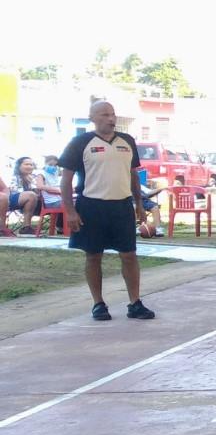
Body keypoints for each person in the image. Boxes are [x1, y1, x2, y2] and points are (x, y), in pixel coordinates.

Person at [58, 101, 154, 321]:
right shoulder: (80, 142)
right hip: (91, 206)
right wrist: (71, 211)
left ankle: (135, 303)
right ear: (92, 117)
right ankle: (98, 304)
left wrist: (139, 203)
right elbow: (65, 181)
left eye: (113, 114)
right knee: (93, 256)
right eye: (104, 114)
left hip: (121, 205)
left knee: (129, 255)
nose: (111, 119)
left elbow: (132, 175)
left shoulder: (127, 141)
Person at [9, 157, 42, 234]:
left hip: (30, 201)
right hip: (10, 199)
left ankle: (60, 228)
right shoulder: (13, 176)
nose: (30, 166)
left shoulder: (34, 177)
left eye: (31, 165)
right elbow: (13, 191)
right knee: (31, 195)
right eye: (26, 164)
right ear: (19, 166)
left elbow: (38, 192)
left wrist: (33, 183)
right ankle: (26, 227)